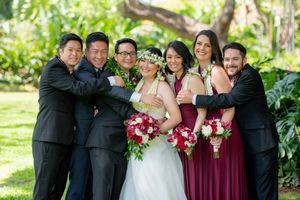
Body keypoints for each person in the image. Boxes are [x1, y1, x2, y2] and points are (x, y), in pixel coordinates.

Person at [178, 41, 278, 200]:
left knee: (264, 191)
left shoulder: (249, 76)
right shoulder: (232, 76)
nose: (230, 63)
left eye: (235, 59)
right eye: (227, 59)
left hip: (261, 142)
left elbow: (229, 100)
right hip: (247, 140)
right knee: (252, 190)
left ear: (244, 61)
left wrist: (194, 98)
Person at [67, 34, 162, 200]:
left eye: (132, 54)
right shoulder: (107, 75)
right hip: (104, 140)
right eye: (124, 53)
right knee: (102, 191)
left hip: (124, 143)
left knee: (117, 191)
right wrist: (141, 118)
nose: (128, 57)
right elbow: (114, 98)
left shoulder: (137, 76)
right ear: (116, 56)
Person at [32, 33, 124, 200]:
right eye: (70, 50)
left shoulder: (70, 72)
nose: (74, 54)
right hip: (49, 136)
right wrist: (111, 81)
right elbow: (79, 88)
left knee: (57, 189)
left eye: (77, 50)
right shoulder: (55, 68)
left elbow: (80, 95)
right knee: (44, 189)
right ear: (61, 51)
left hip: (64, 138)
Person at [184, 30, 248, 200]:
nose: (202, 48)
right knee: (208, 180)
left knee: (222, 179)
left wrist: (220, 134)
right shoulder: (193, 71)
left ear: (213, 49)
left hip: (222, 132)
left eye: (207, 45)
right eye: (199, 44)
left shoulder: (217, 71)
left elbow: (230, 107)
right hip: (205, 132)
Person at [120, 47, 187, 200]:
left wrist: (152, 132)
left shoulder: (162, 87)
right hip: (138, 146)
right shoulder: (138, 84)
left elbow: (176, 117)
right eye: (143, 60)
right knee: (138, 186)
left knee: (157, 187)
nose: (145, 65)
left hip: (157, 147)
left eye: (151, 62)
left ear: (158, 66)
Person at [164, 40, 206, 200]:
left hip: (194, 133)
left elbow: (202, 112)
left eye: (177, 57)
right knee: (182, 178)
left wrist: (193, 137)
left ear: (184, 58)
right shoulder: (171, 79)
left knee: (196, 176)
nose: (173, 61)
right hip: (178, 136)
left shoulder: (193, 79)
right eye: (169, 57)